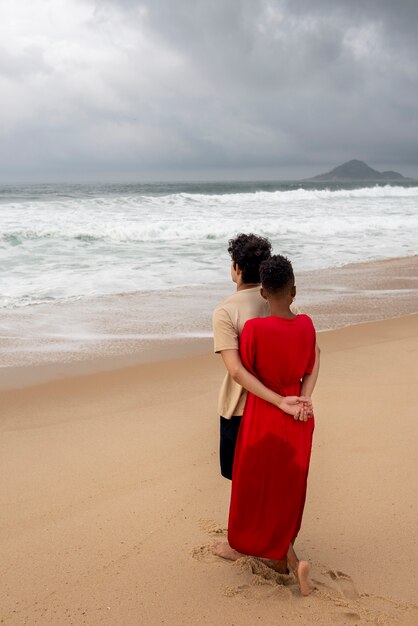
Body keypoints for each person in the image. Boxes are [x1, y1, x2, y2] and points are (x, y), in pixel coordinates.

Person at [212, 234, 316, 567]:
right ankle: (267, 542)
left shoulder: (225, 311)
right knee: (272, 481)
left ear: (237, 268)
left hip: (245, 409)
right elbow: (309, 352)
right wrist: (298, 398)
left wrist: (276, 401)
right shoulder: (282, 301)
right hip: (285, 408)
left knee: (244, 481)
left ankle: (252, 545)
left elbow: (238, 372)